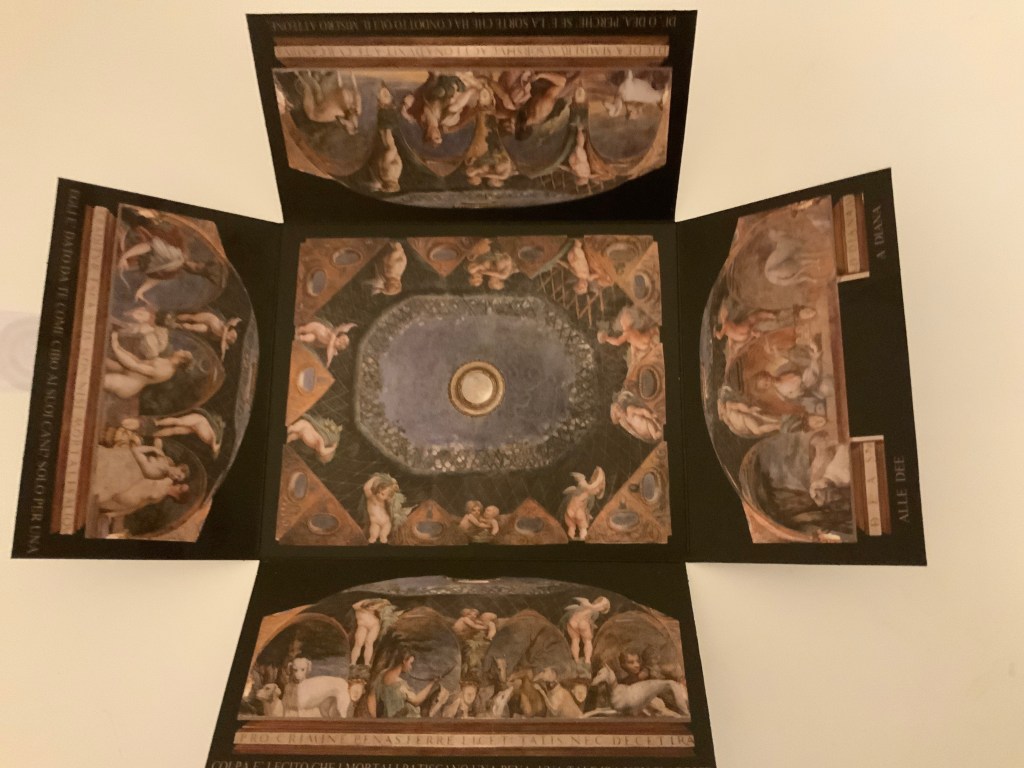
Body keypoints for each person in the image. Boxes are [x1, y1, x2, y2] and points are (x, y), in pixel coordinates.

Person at [103, 331, 193, 400]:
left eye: (183, 352)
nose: (180, 350)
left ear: (182, 360)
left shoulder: (166, 371)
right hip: (126, 371)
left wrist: (115, 348)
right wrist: (119, 347)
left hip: (129, 384)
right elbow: (138, 361)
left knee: (102, 380)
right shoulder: (167, 361)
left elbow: (134, 366)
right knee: (102, 360)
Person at [367, 652, 440, 718]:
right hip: (403, 721)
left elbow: (371, 697)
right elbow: (416, 701)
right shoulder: (400, 685)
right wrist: (432, 683)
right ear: (404, 661)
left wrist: (375, 719)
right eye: (410, 663)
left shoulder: (381, 674)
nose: (411, 667)